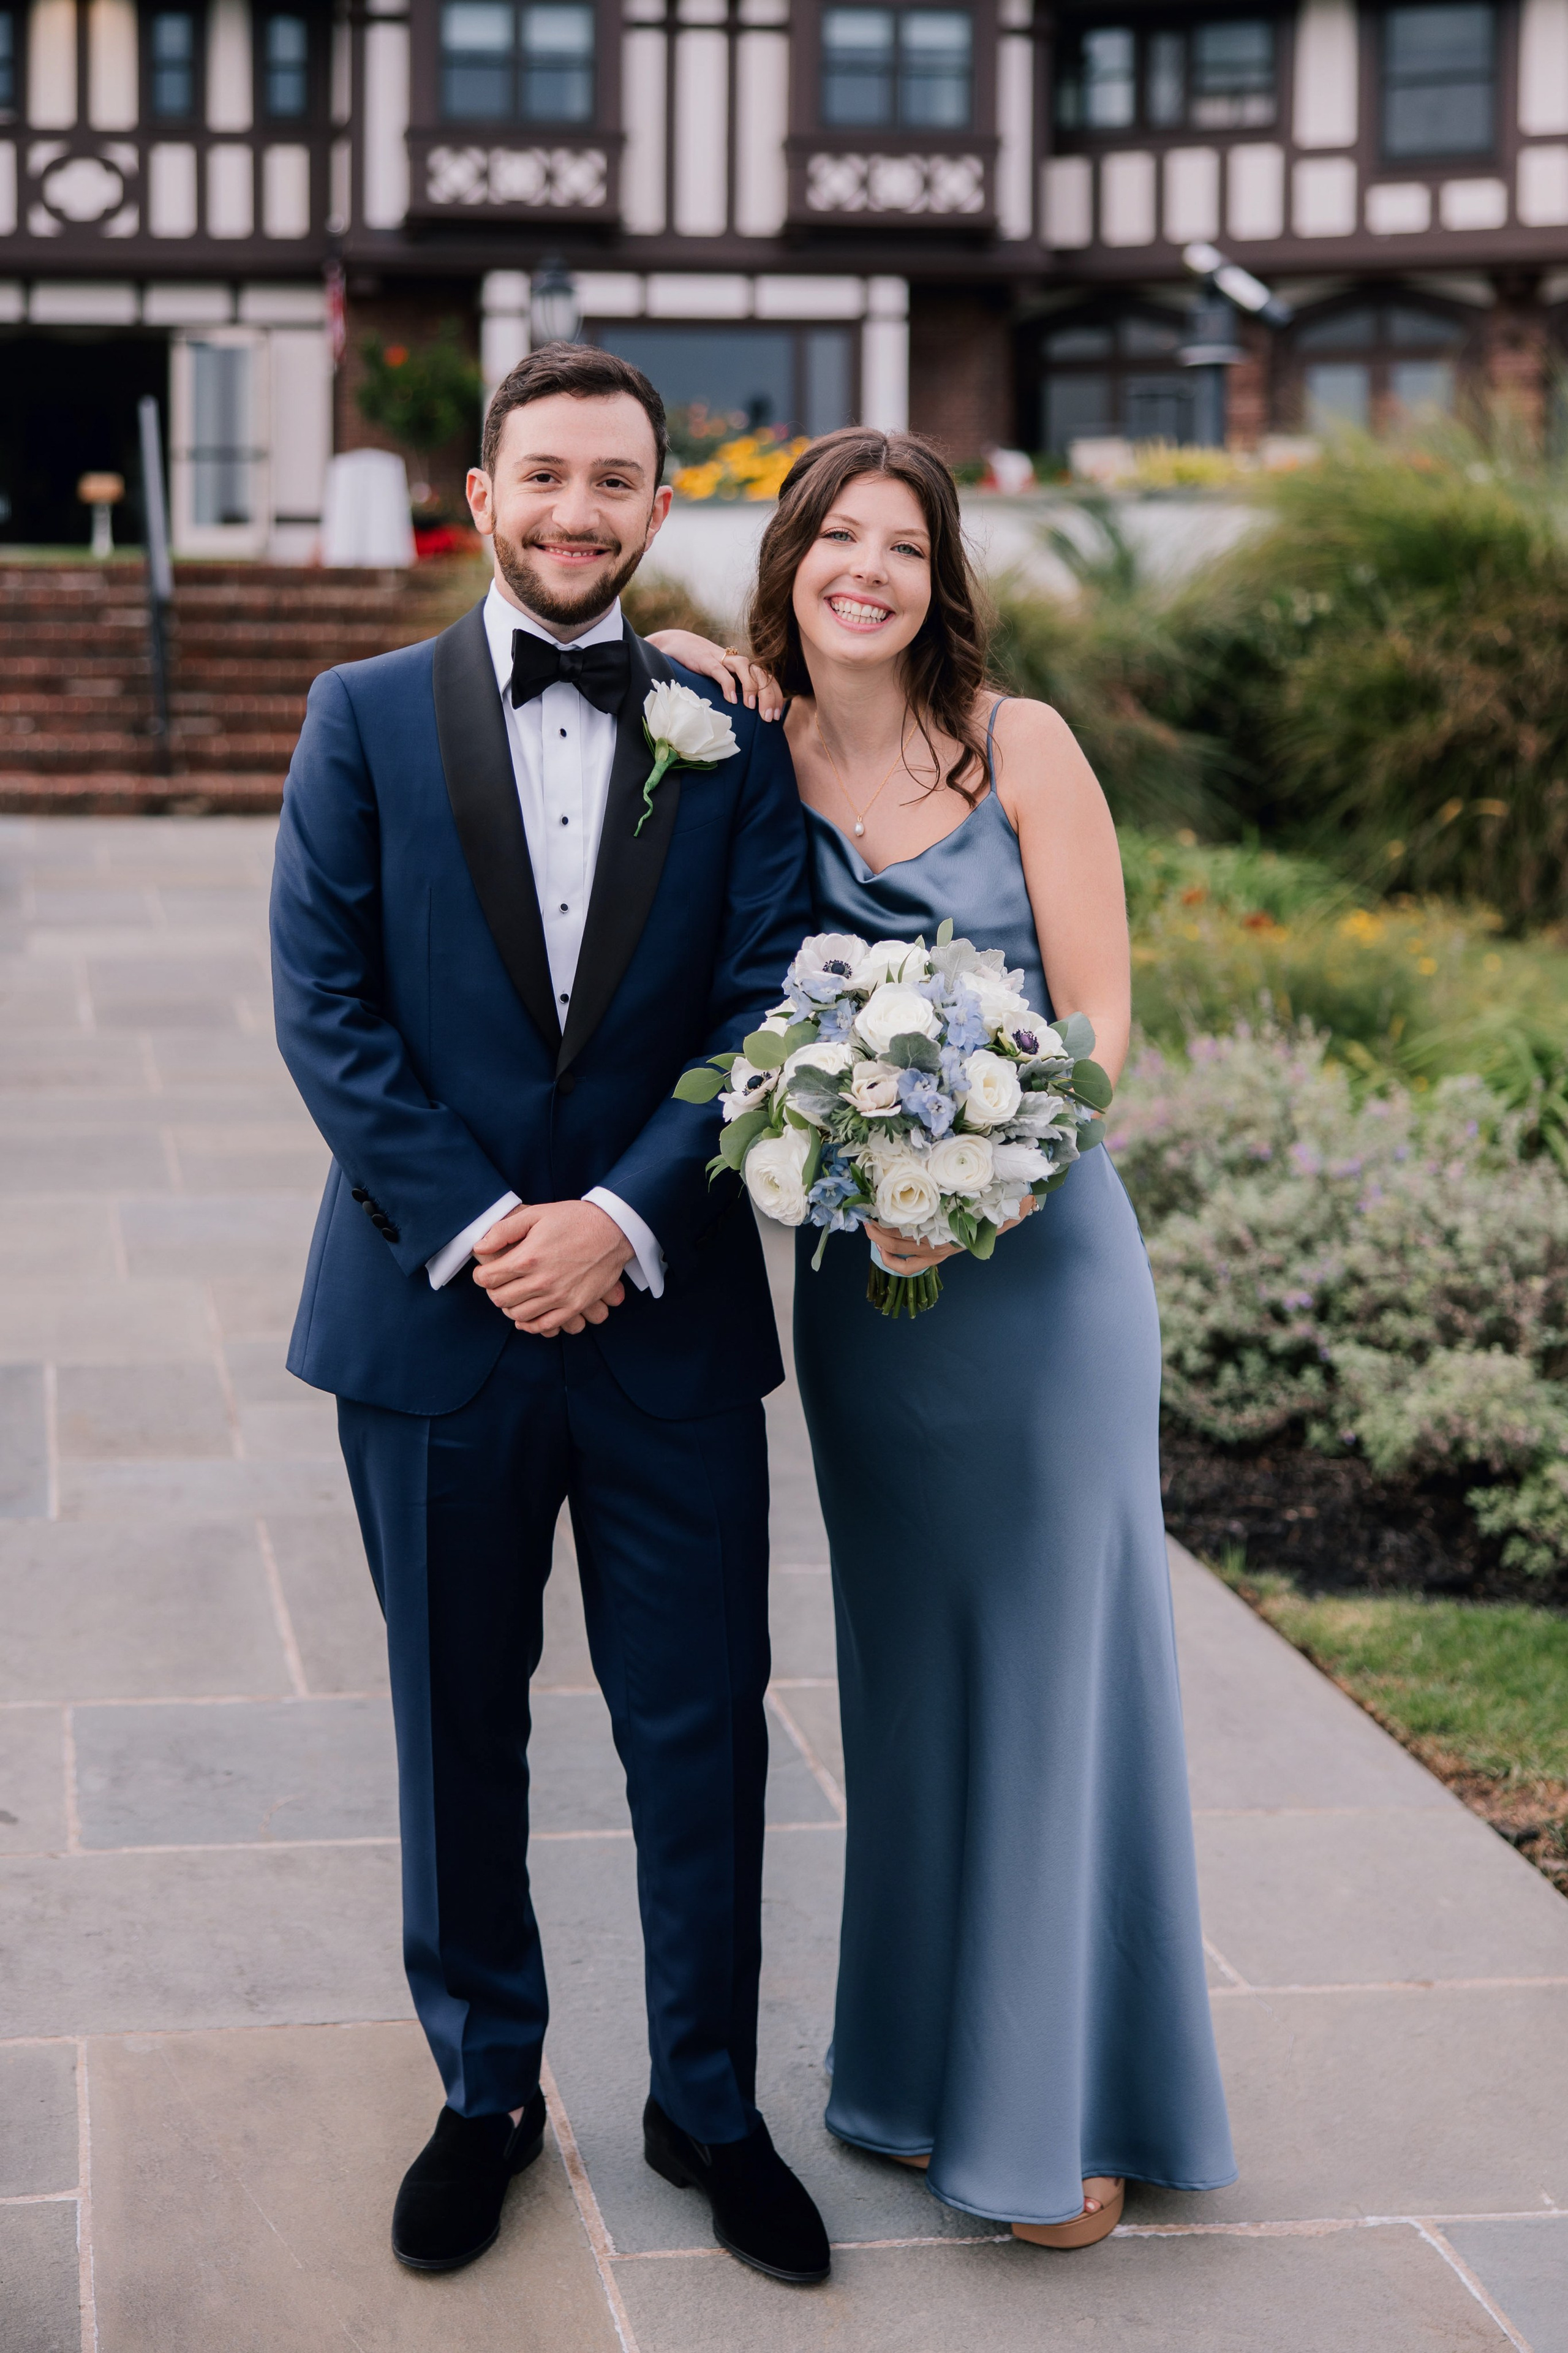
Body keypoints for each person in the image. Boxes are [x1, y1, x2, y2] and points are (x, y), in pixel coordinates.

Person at [269, 344, 831, 2288]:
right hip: (432, 1326)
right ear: (482, 493)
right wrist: (498, 1225)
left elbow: (766, 1008)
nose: (579, 510)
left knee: (700, 1729)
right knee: (455, 1726)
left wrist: (623, 1218)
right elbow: (325, 1011)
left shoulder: (728, 734)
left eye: (617, 480)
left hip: (664, 1322)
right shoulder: (356, 716)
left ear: (664, 507)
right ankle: (483, 2087)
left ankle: (707, 2099)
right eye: (546, 476)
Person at [650, 426, 1235, 2245]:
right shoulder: (749, 756)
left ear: (941, 573)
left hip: (1043, 1277)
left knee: (1062, 1669)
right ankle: (912, 2076)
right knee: (909, 1684)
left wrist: (990, 1172)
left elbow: (1106, 1008)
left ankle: (1066, 2109)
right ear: (793, 557)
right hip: (864, 1304)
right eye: (838, 537)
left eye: (903, 545)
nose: (868, 570)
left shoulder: (1021, 745)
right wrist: (677, 659)